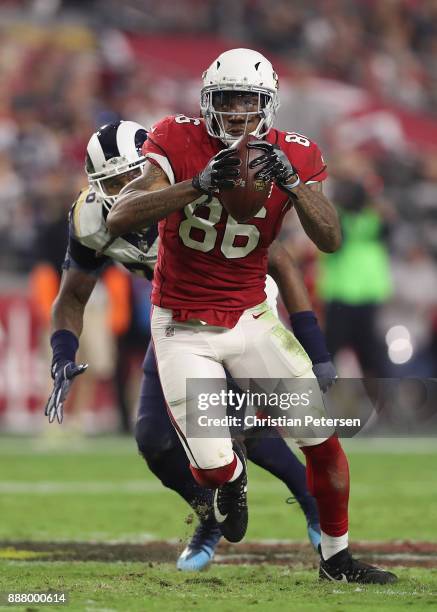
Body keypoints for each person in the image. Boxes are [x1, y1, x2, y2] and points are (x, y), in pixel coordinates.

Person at [107, 49, 397, 584]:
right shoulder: (177, 137)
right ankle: (233, 479)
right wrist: (196, 184)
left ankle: (337, 560)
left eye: (249, 100)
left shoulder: (296, 153)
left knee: (324, 445)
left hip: (249, 318)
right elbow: (120, 214)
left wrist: (294, 184)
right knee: (214, 468)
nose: (239, 111)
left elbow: (330, 239)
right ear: (208, 102)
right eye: (228, 99)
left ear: (269, 104)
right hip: (181, 326)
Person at [44, 120, 339, 571]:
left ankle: (314, 507)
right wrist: (63, 352)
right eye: (113, 182)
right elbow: (72, 295)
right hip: (178, 317)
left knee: (235, 432)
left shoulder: (198, 186)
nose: (125, 188)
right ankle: (212, 515)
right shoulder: (91, 218)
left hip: (241, 308)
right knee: (155, 441)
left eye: (131, 176)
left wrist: (313, 344)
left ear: (153, 167)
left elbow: (277, 259)